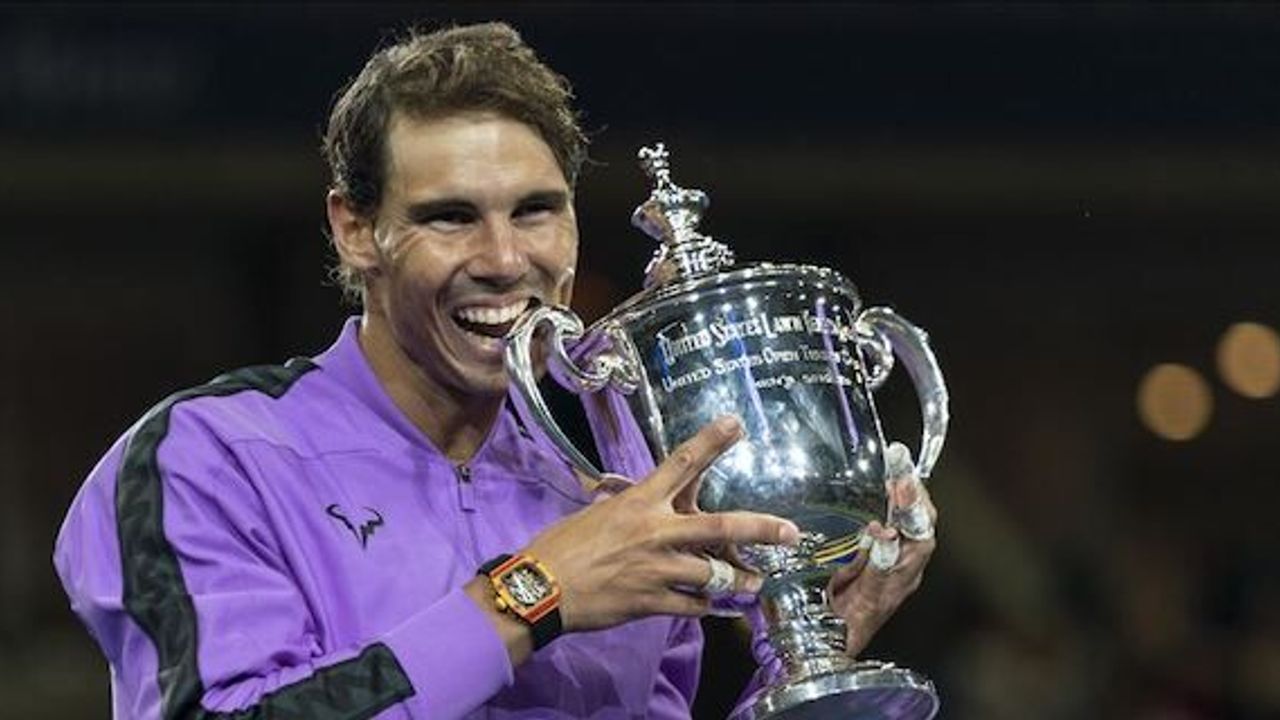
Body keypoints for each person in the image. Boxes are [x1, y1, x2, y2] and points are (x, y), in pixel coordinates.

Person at [53, 21, 936, 718]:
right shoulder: (208, 458)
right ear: (355, 229)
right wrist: (532, 596)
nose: (506, 258)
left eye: (537, 211)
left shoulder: (625, 482)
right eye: (450, 218)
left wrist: (820, 651)